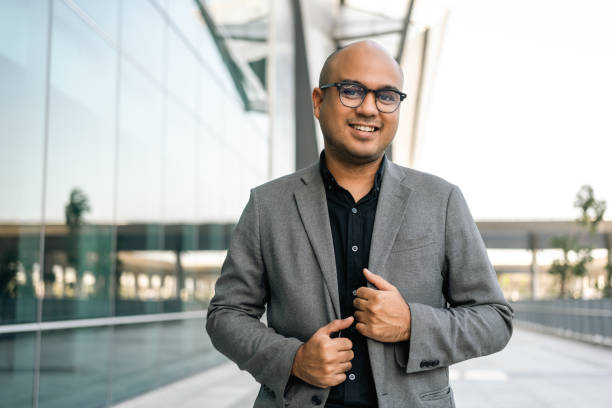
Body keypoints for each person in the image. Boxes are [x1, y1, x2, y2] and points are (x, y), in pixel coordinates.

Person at [206, 40, 513, 408]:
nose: (369, 108)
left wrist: (413, 324)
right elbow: (226, 315)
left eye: (386, 96)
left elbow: (495, 319)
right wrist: (294, 360)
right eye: (351, 91)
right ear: (319, 102)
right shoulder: (267, 205)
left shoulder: (441, 200)